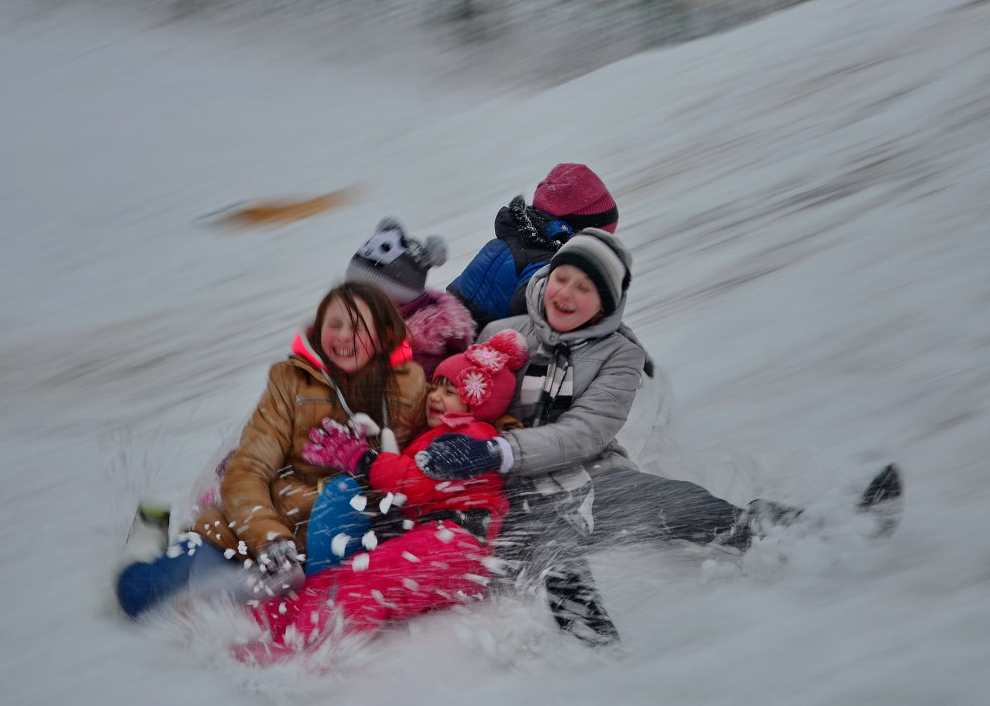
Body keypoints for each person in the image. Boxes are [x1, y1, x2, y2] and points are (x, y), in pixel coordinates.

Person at [415, 229, 904, 645]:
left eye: (584, 288)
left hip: (595, 479)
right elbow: (460, 400)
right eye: (562, 277)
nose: (565, 293)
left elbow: (587, 433)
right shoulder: (502, 334)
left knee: (682, 502)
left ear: (605, 303)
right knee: (556, 555)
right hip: (514, 495)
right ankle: (591, 663)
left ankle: (820, 532)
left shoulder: (619, 355)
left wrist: (501, 449)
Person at [115, 282, 428, 619]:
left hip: (331, 539)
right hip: (251, 533)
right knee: (139, 596)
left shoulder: (407, 387)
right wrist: (269, 539)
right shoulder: (292, 381)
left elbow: (416, 463)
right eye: (334, 325)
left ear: (382, 335)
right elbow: (248, 469)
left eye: (357, 328)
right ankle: (151, 535)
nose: (342, 337)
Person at [237, 331, 528, 661]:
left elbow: (413, 483)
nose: (435, 395)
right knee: (349, 572)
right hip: (435, 539)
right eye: (435, 386)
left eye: (451, 392)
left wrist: (363, 460)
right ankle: (267, 617)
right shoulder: (436, 435)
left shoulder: (472, 438)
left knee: (371, 581)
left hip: (461, 545)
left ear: (478, 403)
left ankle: (306, 651)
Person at [447, 163, 619, 332]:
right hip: (477, 345)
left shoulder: (507, 242)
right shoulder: (549, 264)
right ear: (580, 233)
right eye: (599, 242)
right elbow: (539, 313)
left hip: (450, 322)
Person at [345, 216, 475, 381]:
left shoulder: (421, 352)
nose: (354, 300)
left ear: (396, 297)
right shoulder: (375, 321)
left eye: (365, 295)